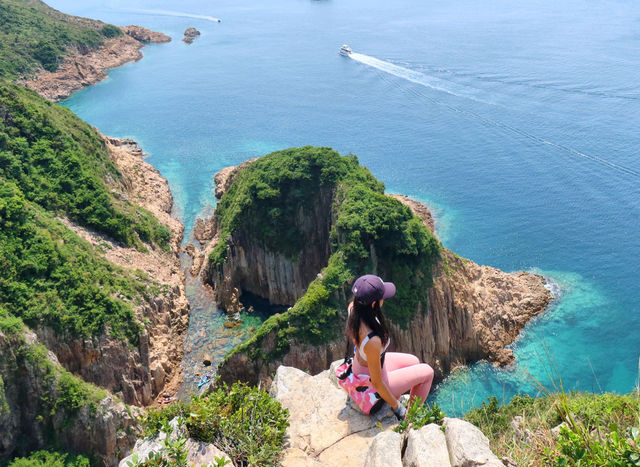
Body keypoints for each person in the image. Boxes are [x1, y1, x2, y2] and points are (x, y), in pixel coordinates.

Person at [347, 274, 434, 420]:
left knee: (414, 361)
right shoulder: (372, 340)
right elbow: (377, 382)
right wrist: (397, 407)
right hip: (372, 382)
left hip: (362, 365)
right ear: (374, 304)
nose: (384, 299)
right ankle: (409, 416)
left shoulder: (353, 309)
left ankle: (399, 394)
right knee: (428, 372)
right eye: (382, 297)